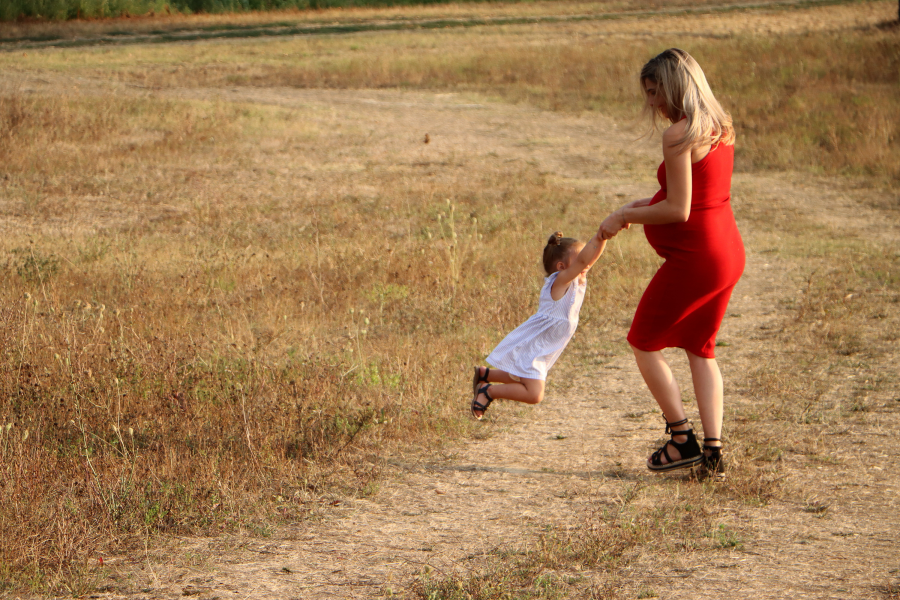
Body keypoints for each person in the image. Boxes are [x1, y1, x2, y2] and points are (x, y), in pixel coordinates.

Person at [600, 48, 745, 475]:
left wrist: (625, 216)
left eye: (652, 92)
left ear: (672, 86)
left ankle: (682, 438)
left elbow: (679, 209)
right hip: (727, 252)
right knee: (702, 349)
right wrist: (641, 204)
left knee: (643, 340)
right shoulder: (720, 126)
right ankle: (713, 454)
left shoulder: (679, 134)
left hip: (697, 258)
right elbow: (700, 197)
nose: (651, 103)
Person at [471, 231, 607, 420]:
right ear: (562, 266)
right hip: (536, 346)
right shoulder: (560, 281)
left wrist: (605, 236)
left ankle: (487, 374)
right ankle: (488, 391)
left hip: (543, 346)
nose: (587, 263)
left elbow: (588, 259)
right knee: (534, 394)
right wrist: (599, 237)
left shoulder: (576, 280)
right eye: (580, 260)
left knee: (522, 376)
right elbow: (584, 261)